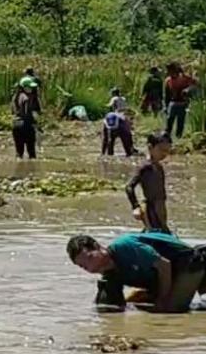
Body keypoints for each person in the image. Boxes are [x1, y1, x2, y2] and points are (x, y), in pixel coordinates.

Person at [68, 231, 206, 312]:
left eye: (90, 258)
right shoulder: (110, 274)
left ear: (97, 246)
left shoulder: (124, 246)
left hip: (191, 262)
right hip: (172, 274)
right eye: (83, 266)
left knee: (170, 310)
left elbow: (164, 265)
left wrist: (162, 300)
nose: (91, 267)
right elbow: (109, 306)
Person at [127, 132, 173, 233]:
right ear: (150, 147)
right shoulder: (145, 167)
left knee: (160, 232)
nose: (164, 154)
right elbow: (129, 187)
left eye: (167, 151)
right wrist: (136, 207)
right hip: (150, 209)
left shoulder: (159, 167)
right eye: (161, 150)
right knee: (157, 234)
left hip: (160, 209)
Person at [164, 62, 197, 139]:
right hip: (173, 102)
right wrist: (166, 106)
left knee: (180, 121)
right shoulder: (168, 80)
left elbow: (195, 84)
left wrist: (188, 90)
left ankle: (178, 137)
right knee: (169, 120)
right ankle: (167, 137)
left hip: (183, 103)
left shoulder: (185, 78)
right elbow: (167, 95)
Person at [11, 80, 38, 159]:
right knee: (31, 152)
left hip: (16, 124)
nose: (32, 89)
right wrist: (33, 122)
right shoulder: (26, 98)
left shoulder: (15, 97)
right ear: (24, 87)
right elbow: (26, 113)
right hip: (26, 125)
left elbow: (13, 111)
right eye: (30, 87)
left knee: (19, 152)